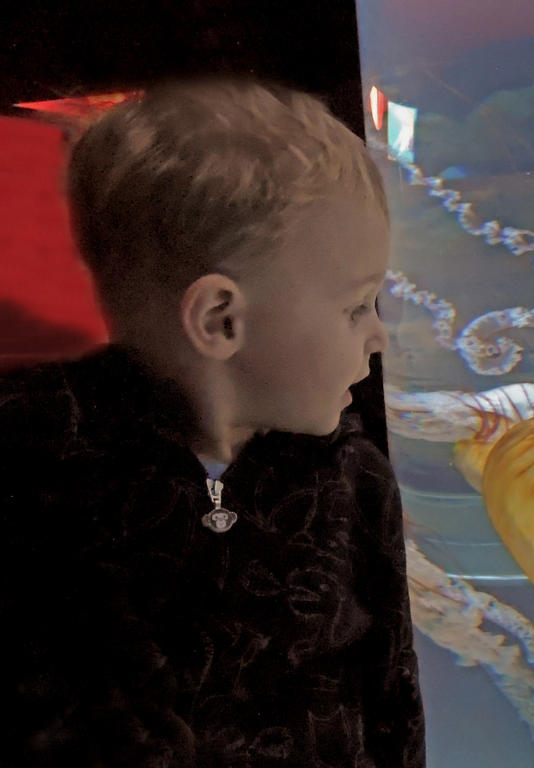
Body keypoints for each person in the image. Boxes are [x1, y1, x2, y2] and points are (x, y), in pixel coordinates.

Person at [0, 78, 425, 767]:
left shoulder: (356, 480)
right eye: (355, 307)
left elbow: (394, 700)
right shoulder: (37, 479)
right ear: (220, 320)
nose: (379, 336)